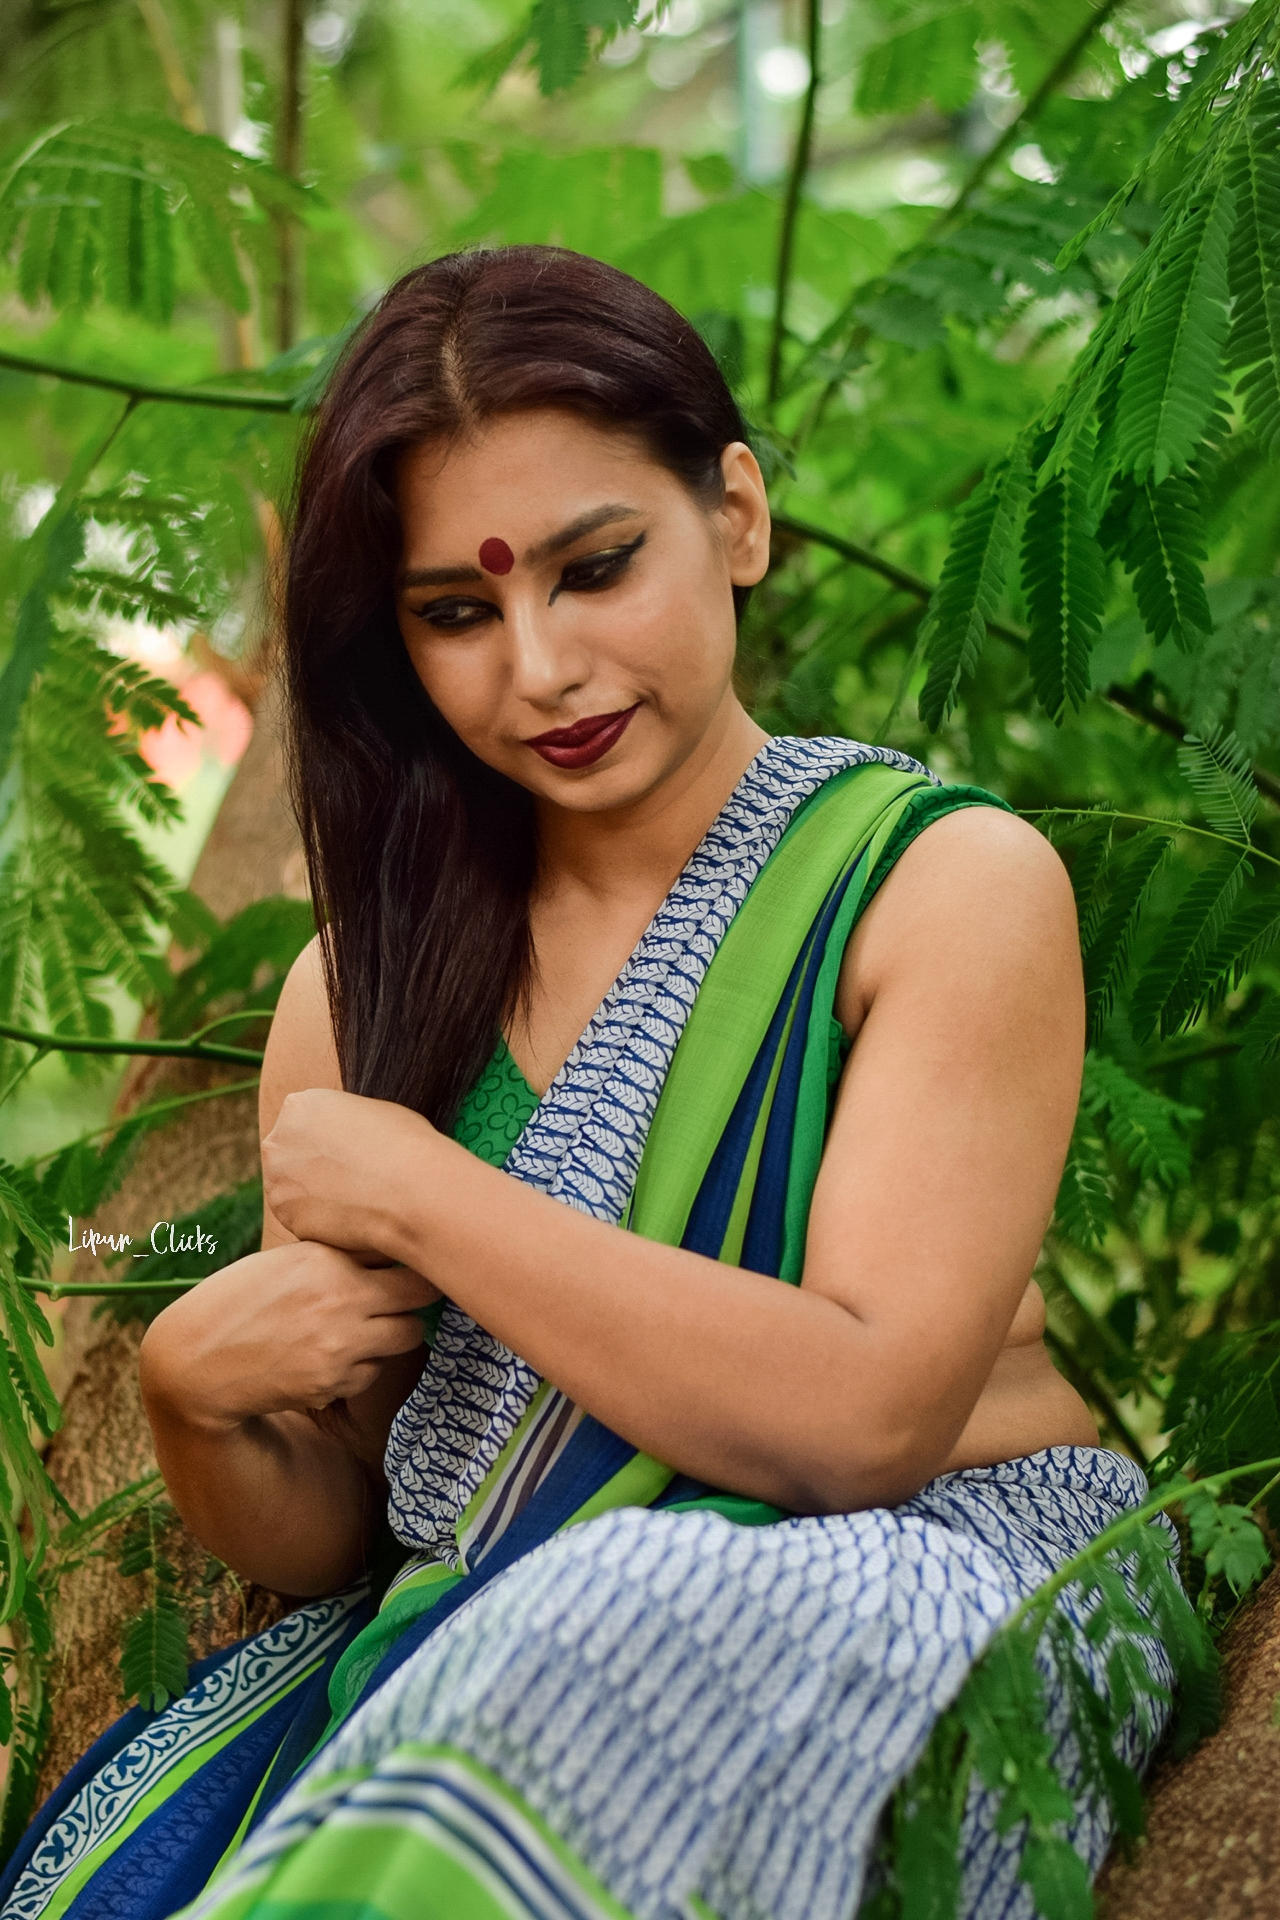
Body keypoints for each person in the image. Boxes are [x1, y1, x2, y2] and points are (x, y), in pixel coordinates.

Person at [1, 246, 1171, 1920]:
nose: (539, 667)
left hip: (925, 1577)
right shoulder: (368, 989)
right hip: (495, 1625)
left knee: (590, 1625)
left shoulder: (932, 888)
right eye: (457, 613)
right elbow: (370, 1521)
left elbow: (866, 1419)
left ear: (738, 517)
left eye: (596, 567)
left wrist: (430, 1199)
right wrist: (196, 1404)